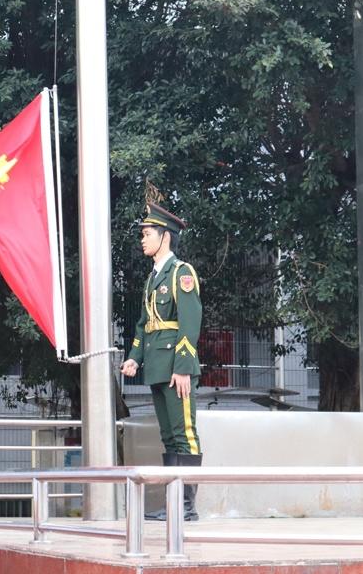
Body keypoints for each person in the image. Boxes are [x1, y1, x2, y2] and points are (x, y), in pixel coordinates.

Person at [120, 202, 203, 521]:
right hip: (157, 365)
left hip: (175, 366)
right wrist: (134, 358)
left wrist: (183, 367)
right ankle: (174, 503)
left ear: (165, 236)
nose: (143, 239)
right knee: (168, 436)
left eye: (147, 233)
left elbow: (190, 321)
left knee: (185, 434)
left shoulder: (181, 273)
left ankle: (187, 506)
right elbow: (144, 324)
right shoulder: (154, 277)